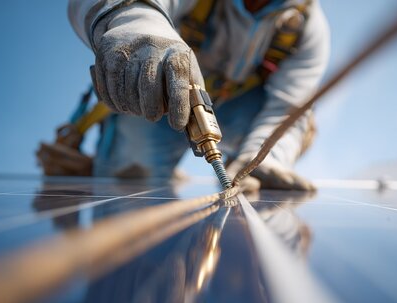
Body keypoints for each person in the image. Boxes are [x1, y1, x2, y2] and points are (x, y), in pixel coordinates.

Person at [68, 0, 329, 190]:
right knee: (131, 182)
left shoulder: (308, 27)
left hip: (242, 112)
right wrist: (136, 24)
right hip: (159, 95)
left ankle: (251, 166)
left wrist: (264, 159)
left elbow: (286, 108)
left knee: (284, 129)